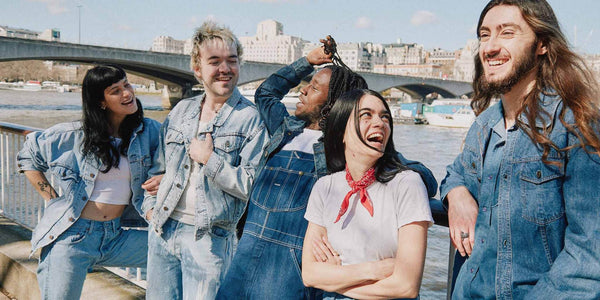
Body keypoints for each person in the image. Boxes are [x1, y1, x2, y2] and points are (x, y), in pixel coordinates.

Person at [216, 41, 437, 299]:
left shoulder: (345, 147)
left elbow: (421, 175)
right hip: (245, 256)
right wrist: (308, 61)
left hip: (291, 273)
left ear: (334, 103)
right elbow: (265, 93)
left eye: (314, 87)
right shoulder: (285, 128)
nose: (303, 91)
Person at [440, 0, 600, 298]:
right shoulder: (484, 125)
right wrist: (458, 195)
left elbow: (589, 259)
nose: (489, 47)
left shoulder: (576, 126)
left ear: (541, 44)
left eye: (507, 33)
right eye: (485, 35)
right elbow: (456, 173)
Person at [142, 21, 269, 300]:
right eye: (215, 61)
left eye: (232, 61)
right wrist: (150, 210)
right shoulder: (181, 111)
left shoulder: (251, 120)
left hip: (209, 240)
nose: (225, 68)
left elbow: (252, 186)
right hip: (163, 229)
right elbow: (158, 168)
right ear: (197, 69)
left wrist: (210, 160)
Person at [17, 65, 161, 299]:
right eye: (115, 90)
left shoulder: (150, 131)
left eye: (126, 84)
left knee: (177, 248)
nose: (127, 93)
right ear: (101, 102)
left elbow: (177, 157)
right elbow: (28, 157)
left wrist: (164, 177)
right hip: (74, 237)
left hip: (117, 236)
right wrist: (52, 199)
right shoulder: (74, 135)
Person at [301, 89, 433, 299]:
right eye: (366, 115)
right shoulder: (324, 187)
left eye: (385, 117)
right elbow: (309, 274)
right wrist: (374, 270)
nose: (380, 123)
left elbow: (406, 286)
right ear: (341, 131)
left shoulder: (407, 184)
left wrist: (334, 279)